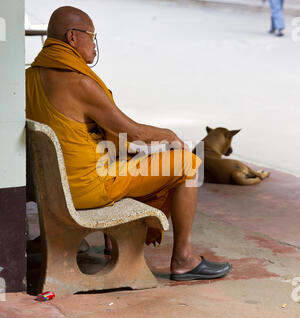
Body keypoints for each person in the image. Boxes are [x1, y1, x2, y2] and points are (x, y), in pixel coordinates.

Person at [26, 6, 232, 281]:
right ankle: (183, 259)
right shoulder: (78, 83)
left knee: (125, 155)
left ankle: (114, 242)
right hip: (87, 188)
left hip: (52, 186)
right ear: (72, 38)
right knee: (189, 163)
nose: (95, 44)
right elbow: (132, 133)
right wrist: (171, 136)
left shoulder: (28, 78)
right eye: (91, 35)